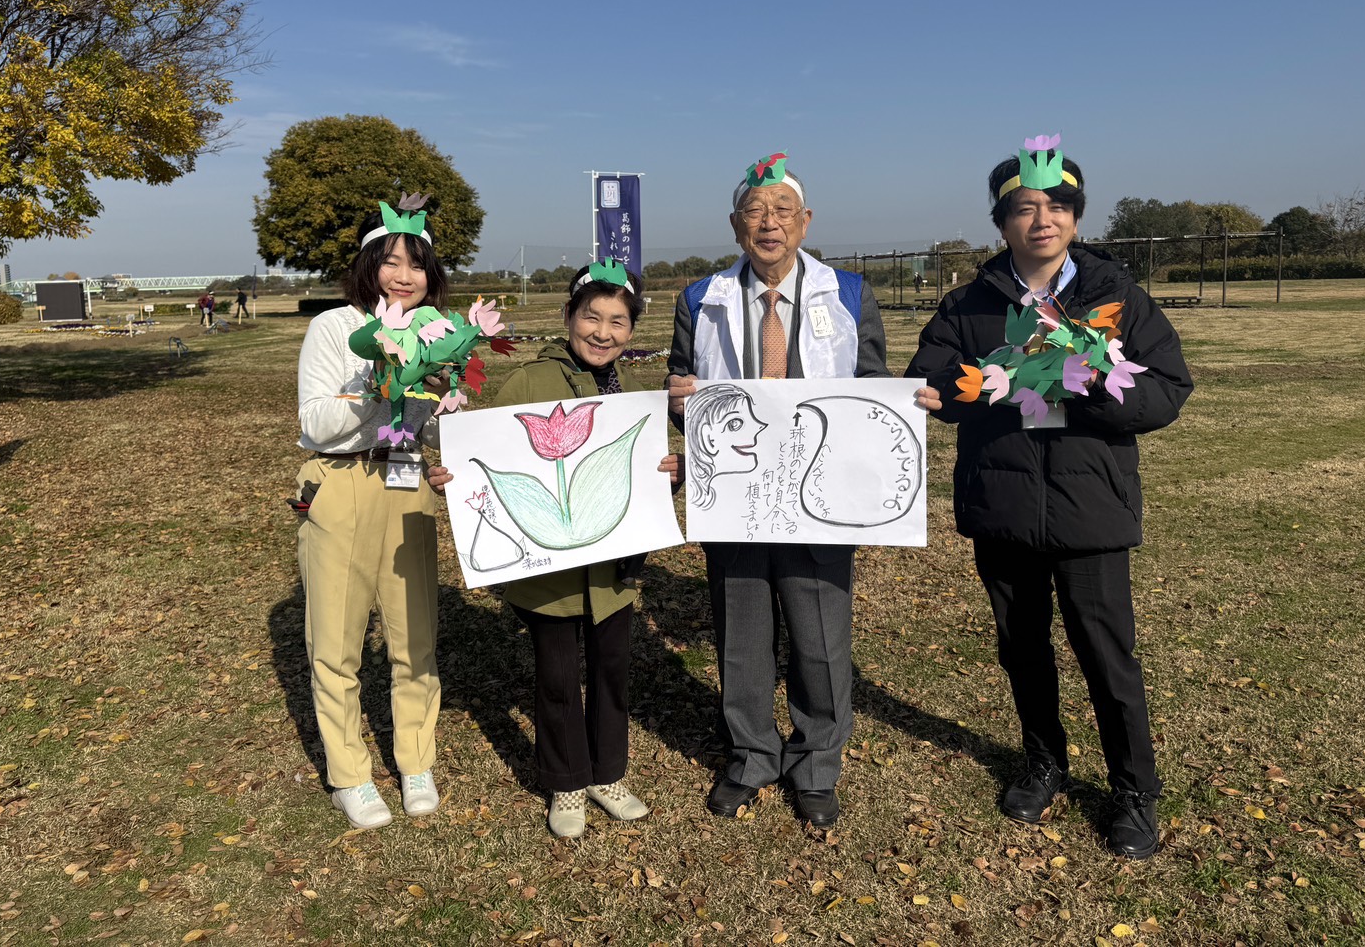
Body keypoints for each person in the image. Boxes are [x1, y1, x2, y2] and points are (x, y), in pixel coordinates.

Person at [905, 135, 1192, 859]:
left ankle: (1133, 790)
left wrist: (1086, 381)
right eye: (1024, 208)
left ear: (1075, 217)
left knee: (1105, 654)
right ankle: (1043, 763)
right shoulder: (968, 302)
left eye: (1057, 206)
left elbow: (1164, 391)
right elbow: (930, 388)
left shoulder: (1114, 296)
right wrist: (991, 382)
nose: (1042, 219)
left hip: (1087, 505)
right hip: (999, 503)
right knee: (1021, 647)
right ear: (1000, 222)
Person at [667, 152, 929, 829]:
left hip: (820, 495)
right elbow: (679, 387)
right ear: (734, 225)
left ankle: (815, 763)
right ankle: (752, 755)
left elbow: (872, 384)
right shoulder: (700, 299)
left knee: (819, 637)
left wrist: (901, 412)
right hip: (736, 498)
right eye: (755, 210)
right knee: (741, 636)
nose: (768, 222)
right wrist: (678, 402)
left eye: (782, 209)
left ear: (804, 222)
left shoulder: (847, 293)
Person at [430, 260, 680, 838]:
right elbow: (486, 453)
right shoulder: (528, 382)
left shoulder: (629, 390)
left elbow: (640, 473)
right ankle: (567, 781)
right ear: (568, 317)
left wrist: (668, 473)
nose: (603, 331)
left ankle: (608, 773)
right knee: (559, 674)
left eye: (618, 322)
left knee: (613, 668)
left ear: (631, 332)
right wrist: (457, 478)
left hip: (611, 571)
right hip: (548, 576)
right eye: (591, 316)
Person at [295, 195, 450, 829]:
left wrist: (446, 400)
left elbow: (428, 423)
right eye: (390, 262)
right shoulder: (334, 327)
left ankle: (415, 759)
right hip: (340, 483)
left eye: (416, 265)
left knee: (416, 633)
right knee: (336, 639)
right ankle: (350, 773)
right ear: (369, 267)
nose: (403, 276)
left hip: (406, 481)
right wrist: (376, 381)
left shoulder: (436, 331)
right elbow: (315, 422)